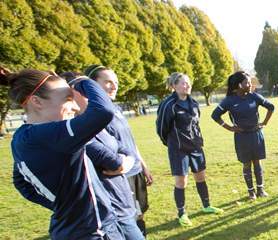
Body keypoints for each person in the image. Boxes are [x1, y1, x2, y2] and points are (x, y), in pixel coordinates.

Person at [3, 67, 125, 239]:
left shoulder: (22, 138)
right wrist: (82, 80)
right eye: (68, 99)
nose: (75, 107)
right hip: (91, 232)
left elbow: (21, 182)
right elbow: (103, 111)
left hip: (76, 229)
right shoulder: (44, 136)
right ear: (37, 102)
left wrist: (63, 204)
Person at [84, 65, 154, 236]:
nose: (114, 86)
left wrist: (143, 165)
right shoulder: (95, 114)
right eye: (107, 82)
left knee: (140, 210)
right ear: (92, 85)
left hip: (135, 169)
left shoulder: (116, 109)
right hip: (119, 173)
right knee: (127, 216)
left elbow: (129, 141)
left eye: (115, 82)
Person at [156, 72, 223, 227]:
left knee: (200, 177)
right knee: (182, 181)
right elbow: (161, 129)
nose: (187, 86)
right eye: (183, 83)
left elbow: (196, 125)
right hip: (178, 150)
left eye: (188, 83)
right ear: (173, 86)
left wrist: (198, 141)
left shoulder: (193, 103)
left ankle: (206, 206)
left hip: (195, 147)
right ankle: (182, 213)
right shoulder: (168, 104)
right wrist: (172, 143)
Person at [211, 71, 275, 200]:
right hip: (242, 137)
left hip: (256, 135)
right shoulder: (229, 100)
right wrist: (229, 127)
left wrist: (264, 123)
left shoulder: (254, 96)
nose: (250, 84)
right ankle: (251, 192)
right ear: (240, 85)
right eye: (247, 82)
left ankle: (261, 190)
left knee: (257, 163)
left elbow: (271, 107)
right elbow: (215, 115)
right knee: (246, 164)